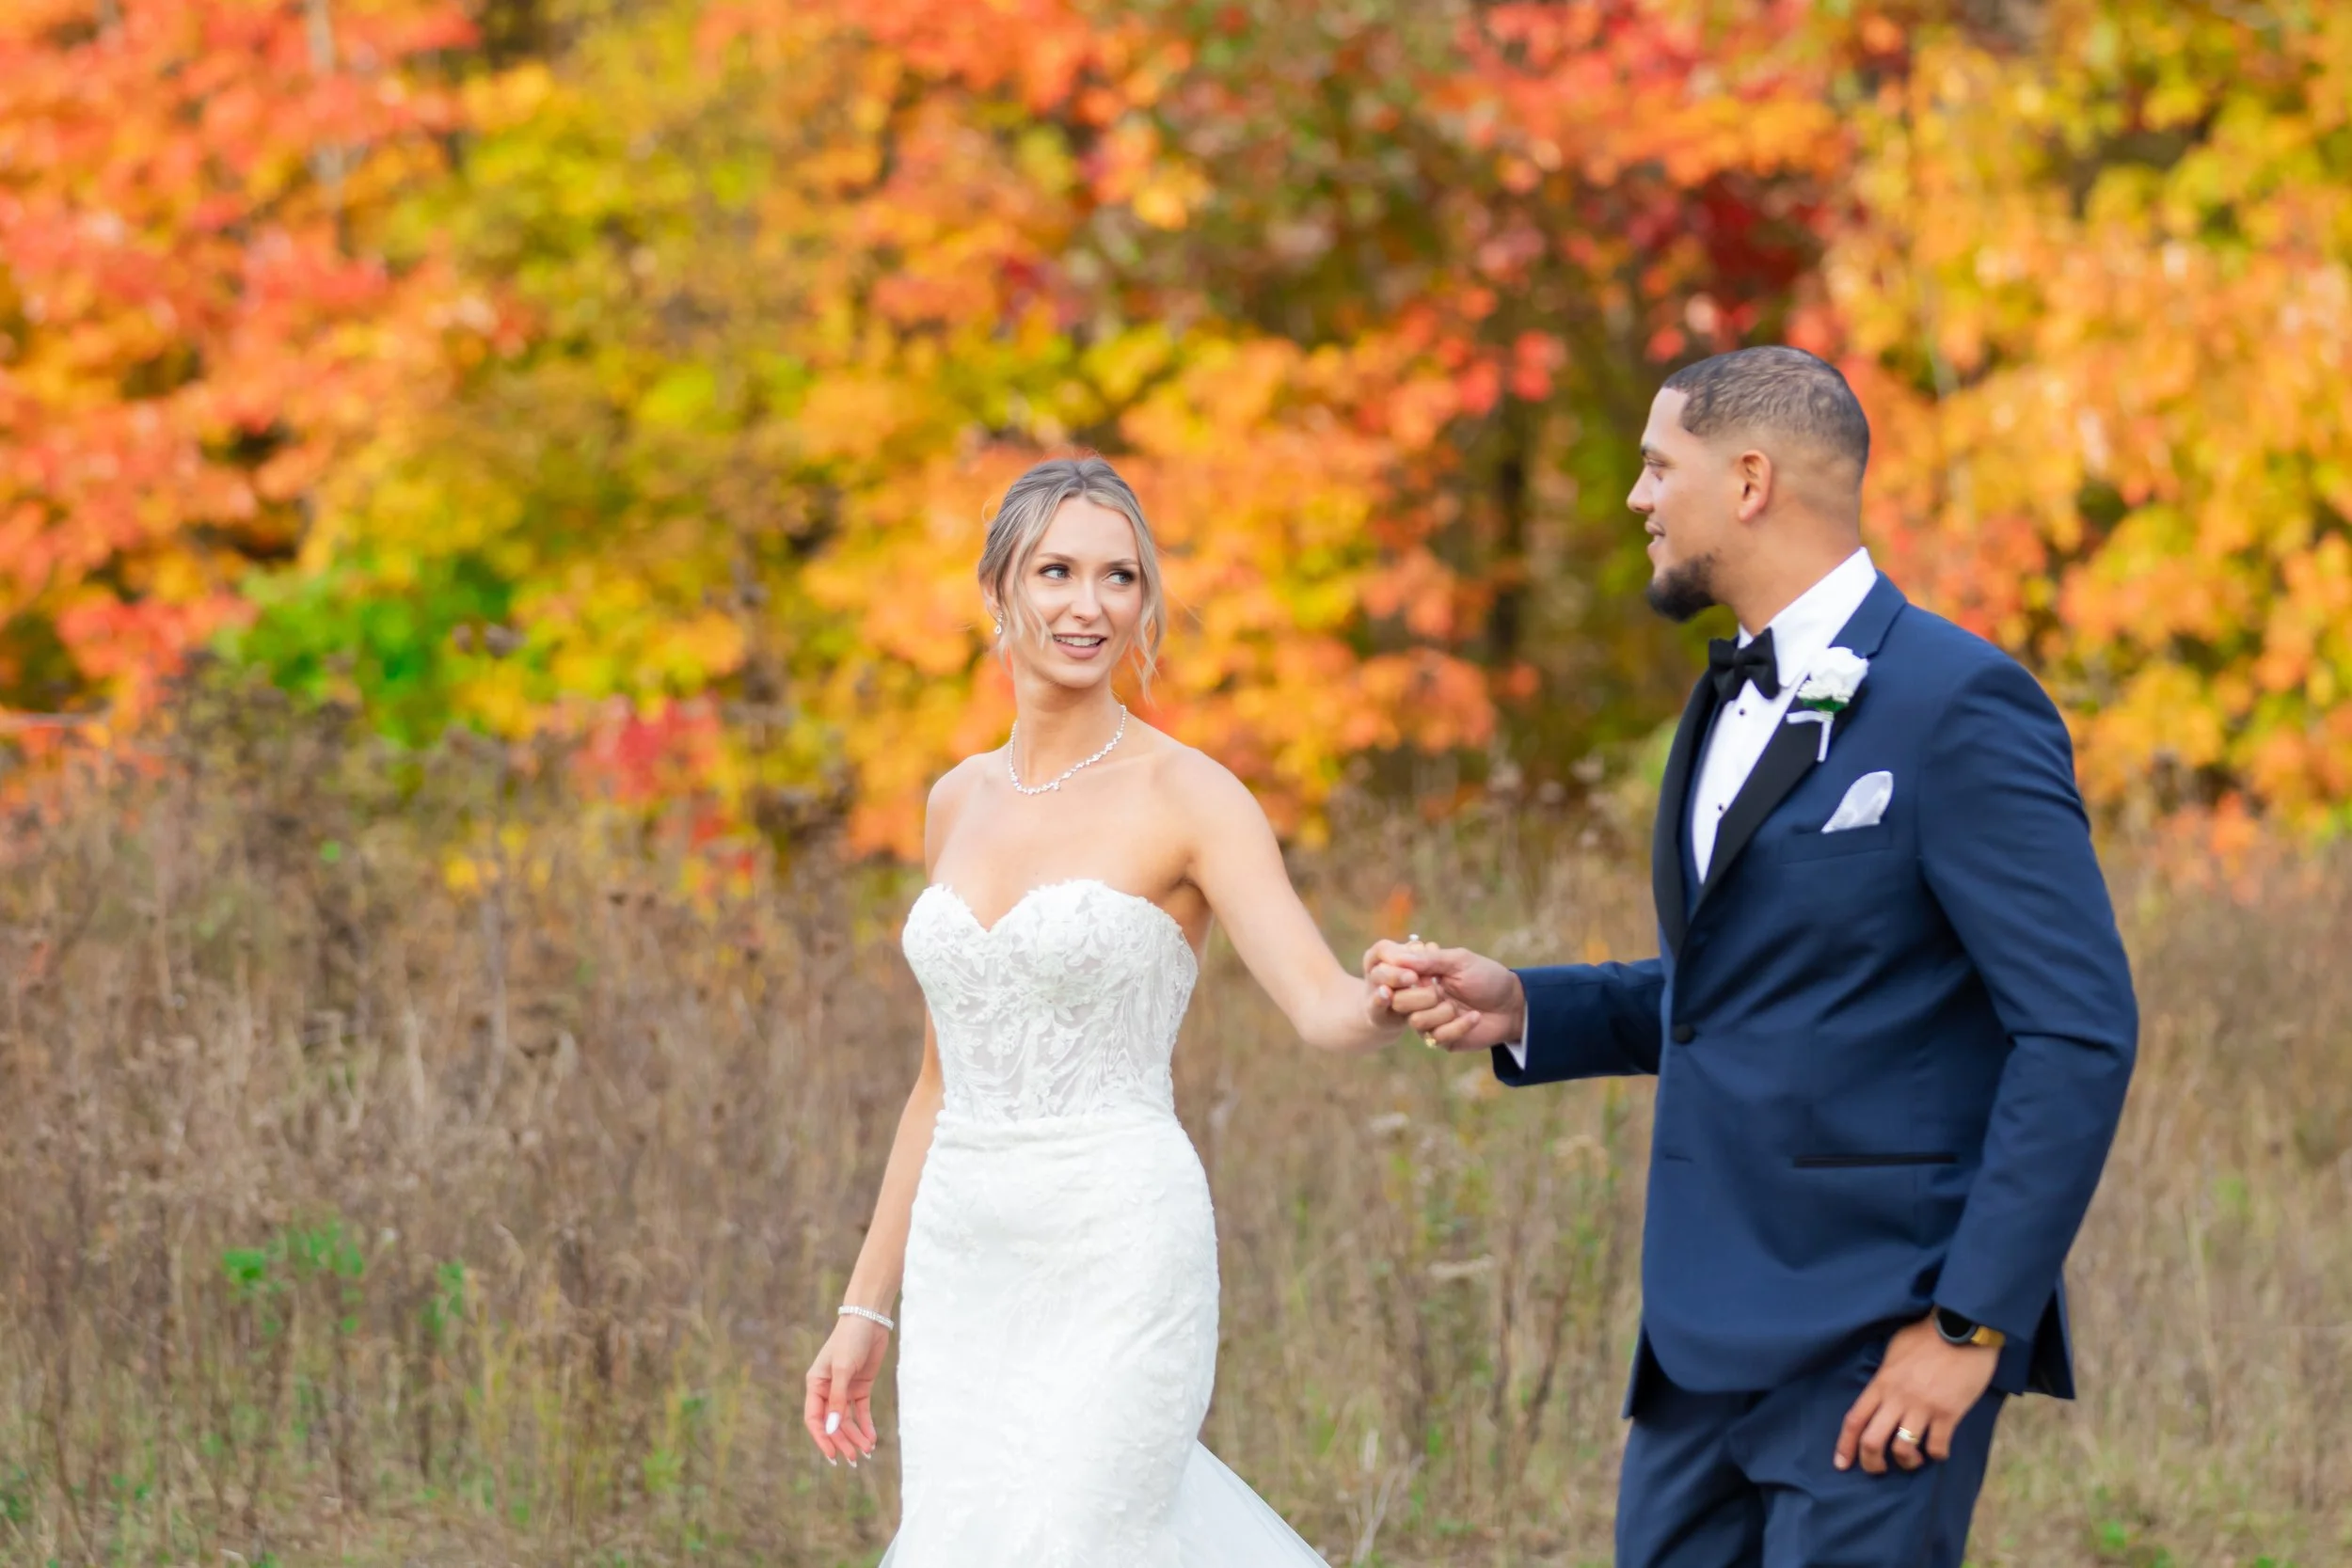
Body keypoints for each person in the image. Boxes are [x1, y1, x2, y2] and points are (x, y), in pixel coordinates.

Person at [1370, 347, 2137, 1568]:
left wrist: (1970, 1326)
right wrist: (1527, 1002)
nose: (1636, 497)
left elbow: (2080, 1027)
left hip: (1877, 1336)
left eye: (1656, 465)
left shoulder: (1963, 704)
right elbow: (1757, 992)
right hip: (1692, 1353)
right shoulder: (1717, 702)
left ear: (1749, 478)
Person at [803, 455, 1409, 1566]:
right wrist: (865, 1307)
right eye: (1057, 571)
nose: (1089, 604)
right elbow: (938, 1085)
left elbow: (1322, 1005)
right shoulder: (955, 803)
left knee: (1089, 1534)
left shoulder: (1190, 794)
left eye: (1118, 576)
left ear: (1144, 603)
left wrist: (1398, 996)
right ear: (1000, 591)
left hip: (1117, 1237)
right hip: (964, 1256)